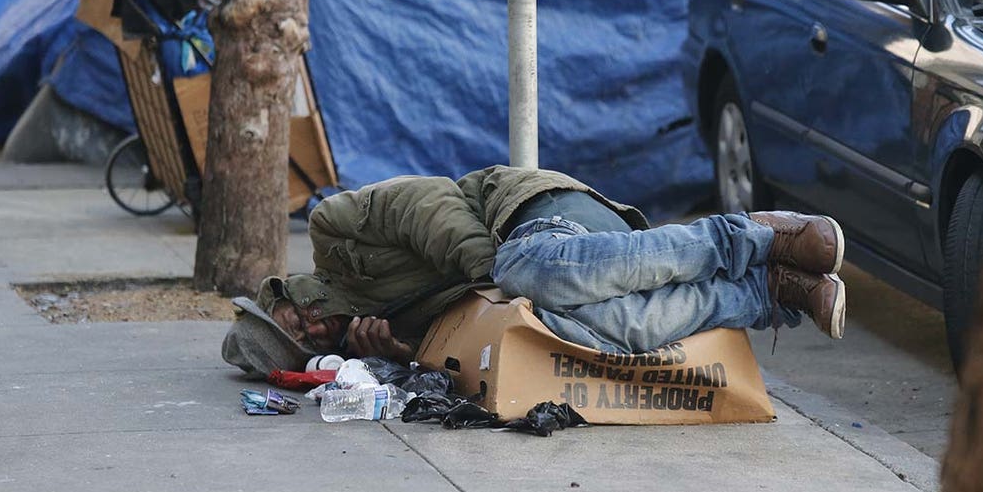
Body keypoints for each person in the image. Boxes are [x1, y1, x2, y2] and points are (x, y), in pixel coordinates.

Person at [222, 165, 845, 377]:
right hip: (577, 266)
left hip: (529, 215)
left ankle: (756, 236)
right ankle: (768, 291)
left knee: (528, 277)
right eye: (304, 341)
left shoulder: (334, 230)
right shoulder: (371, 336)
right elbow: (468, 338)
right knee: (593, 330)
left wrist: (494, 282)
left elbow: (431, 203)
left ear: (280, 289)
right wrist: (405, 353)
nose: (310, 324)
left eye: (288, 315)